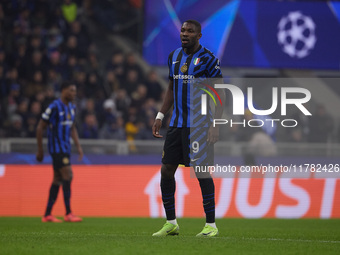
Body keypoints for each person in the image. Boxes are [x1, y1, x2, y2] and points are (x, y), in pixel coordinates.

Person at [152, 20, 225, 237]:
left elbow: (220, 93)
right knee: (166, 170)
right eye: (183, 30)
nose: (185, 34)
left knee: (201, 172)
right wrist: (160, 115)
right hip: (176, 124)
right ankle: (171, 222)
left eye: (190, 31)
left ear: (199, 36)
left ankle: (211, 225)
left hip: (200, 125)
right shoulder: (173, 57)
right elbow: (171, 88)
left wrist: (215, 124)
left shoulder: (210, 60)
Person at [36, 81, 83, 223]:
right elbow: (40, 127)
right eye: (71, 90)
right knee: (68, 175)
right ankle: (68, 213)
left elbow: (72, 128)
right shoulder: (54, 107)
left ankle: (47, 214)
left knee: (57, 179)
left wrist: (78, 146)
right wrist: (40, 150)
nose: (74, 93)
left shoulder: (72, 107)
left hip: (66, 148)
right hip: (56, 149)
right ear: (63, 91)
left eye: (75, 91)